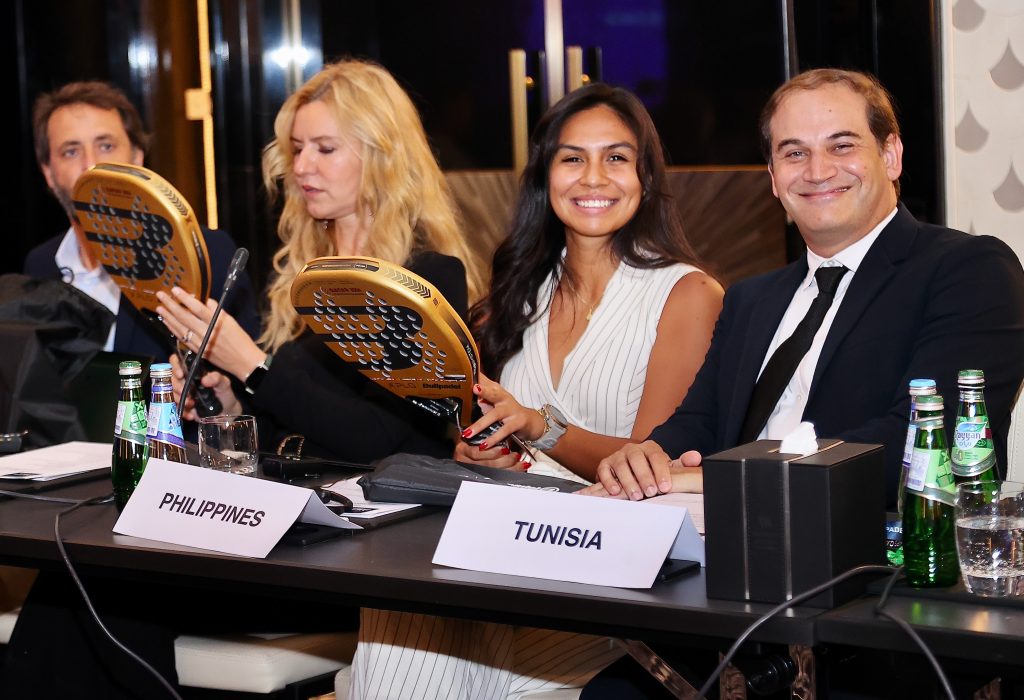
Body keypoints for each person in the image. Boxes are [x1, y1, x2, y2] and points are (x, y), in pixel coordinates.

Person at [348, 83, 724, 699]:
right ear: (546, 177)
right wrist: (486, 450)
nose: (593, 177)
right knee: (399, 606)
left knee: (421, 637)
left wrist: (540, 427)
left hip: (613, 573)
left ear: (646, 177)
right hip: (505, 543)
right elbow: (496, 432)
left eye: (616, 157)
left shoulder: (687, 295)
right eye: (572, 158)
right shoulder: (516, 295)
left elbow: (652, 468)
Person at [589, 67, 1024, 510]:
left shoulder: (969, 271)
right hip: (721, 534)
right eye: (795, 153)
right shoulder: (750, 299)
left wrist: (726, 478)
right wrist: (645, 457)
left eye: (842, 146)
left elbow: (928, 444)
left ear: (891, 155)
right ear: (774, 177)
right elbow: (699, 423)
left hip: (876, 545)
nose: (818, 171)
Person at [155, 59, 483, 461]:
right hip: (301, 491)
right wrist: (230, 404)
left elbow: (376, 437)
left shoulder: (427, 277)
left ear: (383, 157)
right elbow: (293, 428)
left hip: (384, 498)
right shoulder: (300, 271)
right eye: (297, 149)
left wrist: (251, 366)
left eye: (325, 149)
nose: (301, 166)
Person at [23, 80, 259, 358]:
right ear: (49, 173)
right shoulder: (40, 264)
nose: (90, 165)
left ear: (137, 157)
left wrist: (220, 384)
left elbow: (250, 373)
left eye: (106, 146)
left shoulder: (207, 254)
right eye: (71, 151)